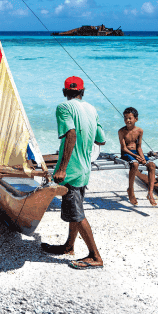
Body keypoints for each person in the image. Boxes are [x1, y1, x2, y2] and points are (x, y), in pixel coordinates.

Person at [42, 76, 106, 269]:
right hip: (85, 169)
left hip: (71, 170)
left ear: (65, 92)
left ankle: (95, 256)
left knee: (77, 214)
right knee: (75, 209)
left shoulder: (64, 107)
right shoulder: (92, 109)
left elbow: (71, 134)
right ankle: (69, 246)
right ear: (82, 91)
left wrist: (62, 168)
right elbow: (101, 140)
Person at [118, 107, 157, 207]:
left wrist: (142, 157)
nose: (127, 120)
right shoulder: (121, 131)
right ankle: (130, 190)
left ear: (136, 119)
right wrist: (136, 157)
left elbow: (139, 147)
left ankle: (150, 193)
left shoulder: (139, 131)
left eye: (130, 118)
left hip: (136, 152)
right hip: (126, 153)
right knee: (135, 164)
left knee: (152, 165)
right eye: (125, 118)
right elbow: (124, 148)